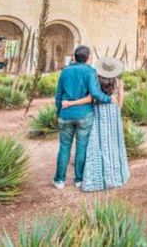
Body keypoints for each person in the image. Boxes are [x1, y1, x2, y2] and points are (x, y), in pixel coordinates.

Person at [63, 56, 130, 192]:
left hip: (98, 112)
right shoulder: (119, 82)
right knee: (113, 142)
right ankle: (116, 173)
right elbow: (120, 98)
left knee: (97, 142)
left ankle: (97, 175)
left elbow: (91, 98)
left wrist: (70, 103)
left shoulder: (96, 81)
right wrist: (117, 111)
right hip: (113, 112)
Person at [52, 46, 112, 190]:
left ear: (74, 56)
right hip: (84, 115)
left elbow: (58, 95)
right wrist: (109, 99)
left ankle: (59, 180)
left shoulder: (65, 71)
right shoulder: (90, 72)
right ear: (88, 57)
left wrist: (59, 111)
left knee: (64, 147)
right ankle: (79, 179)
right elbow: (95, 94)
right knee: (81, 147)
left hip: (66, 114)